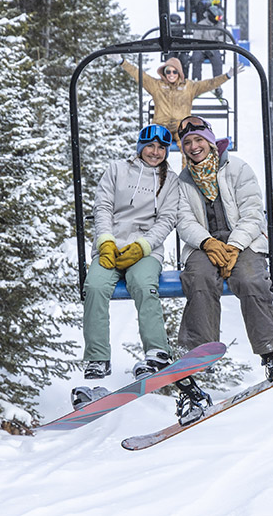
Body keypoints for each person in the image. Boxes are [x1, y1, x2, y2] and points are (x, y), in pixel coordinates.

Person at [174, 115, 273, 384]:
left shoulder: (237, 169)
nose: (194, 147)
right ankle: (197, 352)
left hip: (244, 240)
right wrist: (208, 242)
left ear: (209, 140)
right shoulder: (183, 181)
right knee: (199, 278)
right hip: (204, 244)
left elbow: (253, 214)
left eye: (198, 140)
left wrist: (233, 246)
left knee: (250, 279)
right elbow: (184, 221)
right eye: (188, 143)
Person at [81, 124, 180, 382]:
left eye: (161, 148)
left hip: (145, 249)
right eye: (150, 146)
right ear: (140, 147)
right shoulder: (117, 170)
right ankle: (97, 357)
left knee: (144, 285)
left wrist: (143, 246)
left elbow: (167, 219)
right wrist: (105, 241)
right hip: (112, 244)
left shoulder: (170, 180)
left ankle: (157, 350)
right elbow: (102, 207)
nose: (155, 152)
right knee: (94, 286)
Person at [111, 53, 240, 142]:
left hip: (181, 127)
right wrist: (122, 62)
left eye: (174, 72)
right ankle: (159, 177)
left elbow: (209, 84)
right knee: (156, 147)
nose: (171, 74)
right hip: (161, 126)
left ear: (179, 73)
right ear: (164, 72)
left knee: (188, 146)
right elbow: (138, 74)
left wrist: (227, 76)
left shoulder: (189, 87)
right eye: (168, 71)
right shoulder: (156, 85)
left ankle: (187, 178)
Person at [191, 6, 225, 83]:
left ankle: (217, 83)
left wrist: (218, 40)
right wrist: (204, 49)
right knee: (196, 58)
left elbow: (227, 37)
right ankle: (196, 82)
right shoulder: (202, 24)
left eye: (220, 18)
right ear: (211, 16)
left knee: (217, 61)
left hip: (213, 47)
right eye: (217, 18)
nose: (218, 20)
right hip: (201, 48)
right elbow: (197, 39)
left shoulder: (219, 25)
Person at [162, 13, 191, 79]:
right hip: (171, 49)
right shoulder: (167, 30)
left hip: (180, 48)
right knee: (171, 60)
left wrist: (185, 48)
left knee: (184, 60)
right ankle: (168, 78)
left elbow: (182, 39)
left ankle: (184, 79)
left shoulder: (180, 29)